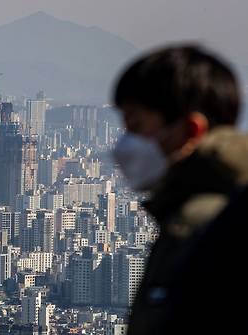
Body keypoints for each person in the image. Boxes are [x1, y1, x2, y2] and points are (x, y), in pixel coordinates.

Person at [111, 45, 248, 334]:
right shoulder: (187, 214)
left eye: (136, 127)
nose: (124, 146)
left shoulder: (206, 223)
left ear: (190, 130)